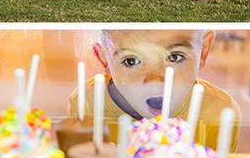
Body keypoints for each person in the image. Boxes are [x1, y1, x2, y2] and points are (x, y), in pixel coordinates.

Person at [66, 30, 239, 150]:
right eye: (131, 61)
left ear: (204, 51)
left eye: (175, 57)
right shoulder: (85, 103)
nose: (155, 80)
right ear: (104, 59)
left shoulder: (220, 112)